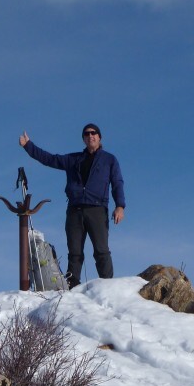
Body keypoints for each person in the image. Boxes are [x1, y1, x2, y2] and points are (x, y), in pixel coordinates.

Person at [19, 123, 125, 289]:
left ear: (99, 137)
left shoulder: (109, 160)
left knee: (101, 251)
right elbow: (50, 159)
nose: (90, 136)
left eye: (94, 133)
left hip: (97, 209)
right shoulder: (74, 159)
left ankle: (108, 287)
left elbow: (117, 183)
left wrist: (120, 205)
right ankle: (73, 286)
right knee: (75, 252)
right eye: (87, 134)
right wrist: (28, 146)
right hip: (75, 210)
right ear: (84, 138)